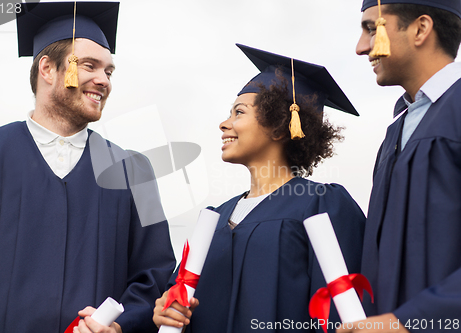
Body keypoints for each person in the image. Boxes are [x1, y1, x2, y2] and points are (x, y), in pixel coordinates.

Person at [0, 2, 175, 333]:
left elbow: (154, 275)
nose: (103, 80)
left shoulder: (135, 172)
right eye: (89, 65)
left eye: (109, 71)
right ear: (47, 68)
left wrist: (120, 326)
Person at [152, 44, 366, 333]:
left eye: (238, 113)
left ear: (279, 126)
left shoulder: (322, 204)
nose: (224, 124)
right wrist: (165, 310)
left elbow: (340, 315)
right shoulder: (213, 219)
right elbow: (175, 299)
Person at [338, 1, 461, 332]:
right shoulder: (397, 131)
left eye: (371, 28)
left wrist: (407, 321)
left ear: (421, 29)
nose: (361, 47)